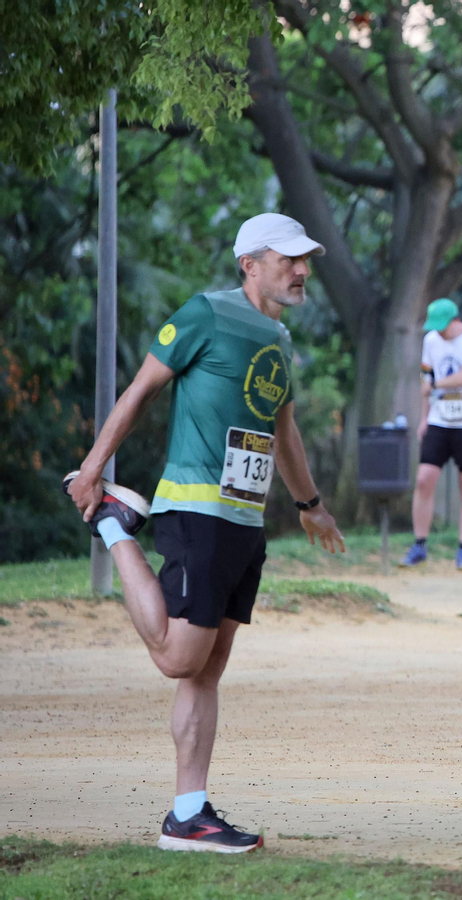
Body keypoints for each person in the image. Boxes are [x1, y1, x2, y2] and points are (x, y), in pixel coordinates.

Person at [64, 212, 346, 853]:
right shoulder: (205, 313)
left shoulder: (278, 338)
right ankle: (115, 525)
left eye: (305, 260)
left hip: (244, 520)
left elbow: (283, 430)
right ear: (250, 264)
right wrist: (94, 468)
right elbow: (142, 390)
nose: (302, 270)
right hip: (196, 510)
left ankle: (188, 815)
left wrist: (309, 503)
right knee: (179, 659)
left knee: (205, 672)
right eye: (289, 259)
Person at [401, 298, 462, 571]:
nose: (439, 332)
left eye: (443, 326)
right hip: (440, 419)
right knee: (424, 479)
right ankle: (419, 544)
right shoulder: (431, 340)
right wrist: (424, 418)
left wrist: (435, 384)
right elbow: (425, 378)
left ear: (455, 321)